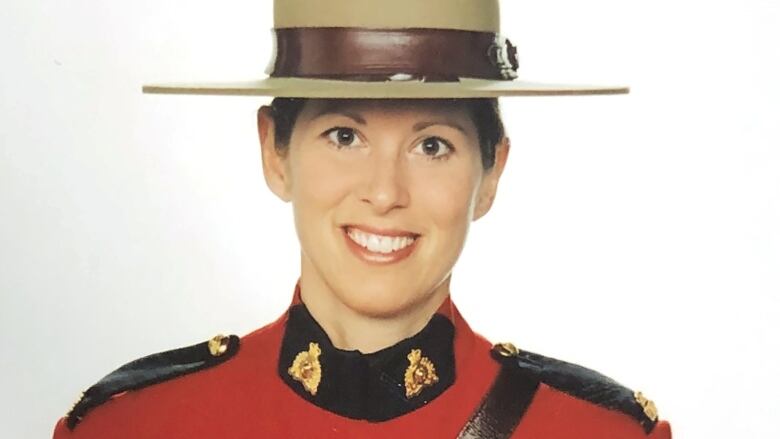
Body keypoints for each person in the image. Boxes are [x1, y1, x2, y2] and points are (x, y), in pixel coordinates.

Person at [53, 0, 672, 437]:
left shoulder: (591, 432)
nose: (384, 193)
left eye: (432, 146)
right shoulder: (133, 427)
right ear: (275, 152)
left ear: (492, 172)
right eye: (344, 135)